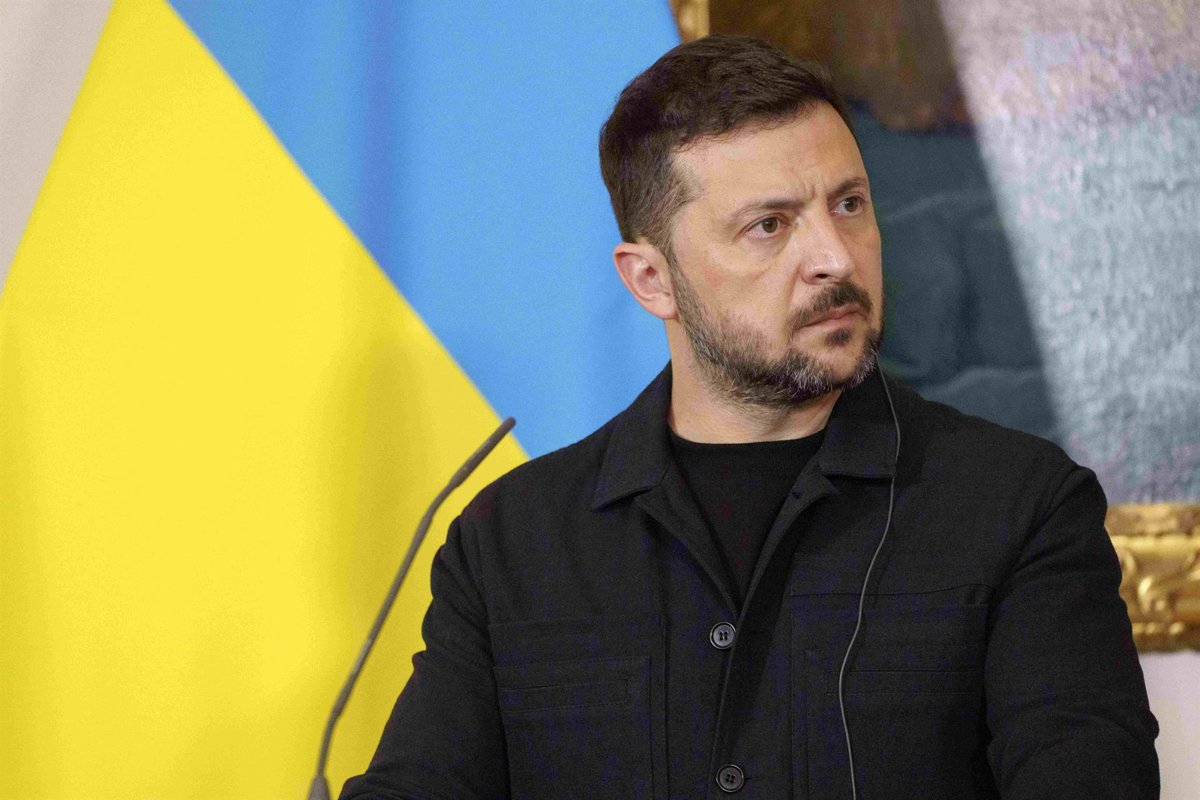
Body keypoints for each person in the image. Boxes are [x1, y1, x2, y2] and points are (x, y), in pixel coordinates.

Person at [341, 35, 1158, 799]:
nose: (834, 257)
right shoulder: (509, 544)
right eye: (769, 226)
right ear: (652, 280)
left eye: (849, 204)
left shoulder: (1021, 507)